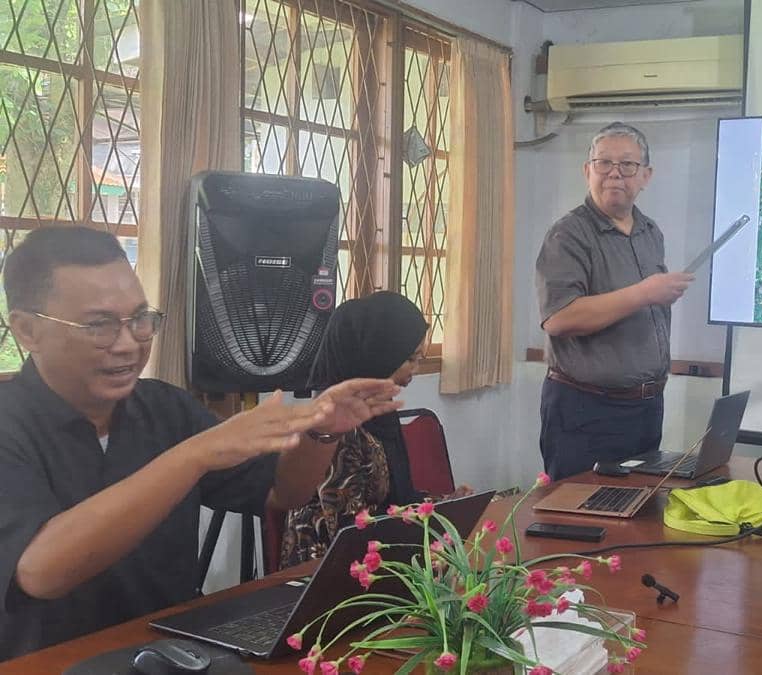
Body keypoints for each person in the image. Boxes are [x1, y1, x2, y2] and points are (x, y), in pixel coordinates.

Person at [0, 226, 404, 659]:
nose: (127, 345)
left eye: (140, 320)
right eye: (98, 325)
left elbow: (282, 491)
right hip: (47, 660)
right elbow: (40, 571)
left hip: (165, 653)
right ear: (27, 331)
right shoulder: (11, 424)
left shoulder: (165, 408)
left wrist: (323, 430)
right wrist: (194, 456)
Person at [535, 122, 695, 480]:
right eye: (604, 163)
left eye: (627, 165)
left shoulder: (650, 232)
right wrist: (644, 293)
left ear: (646, 176)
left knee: (637, 517)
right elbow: (559, 318)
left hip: (646, 408)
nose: (614, 175)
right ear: (587, 170)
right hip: (586, 411)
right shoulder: (568, 234)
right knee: (581, 520)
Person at [279, 292, 469, 568]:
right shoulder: (334, 431)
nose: (414, 371)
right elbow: (351, 532)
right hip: (332, 577)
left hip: (382, 556)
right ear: (378, 357)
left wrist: (446, 505)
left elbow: (392, 503)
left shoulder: (380, 417)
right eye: (410, 359)